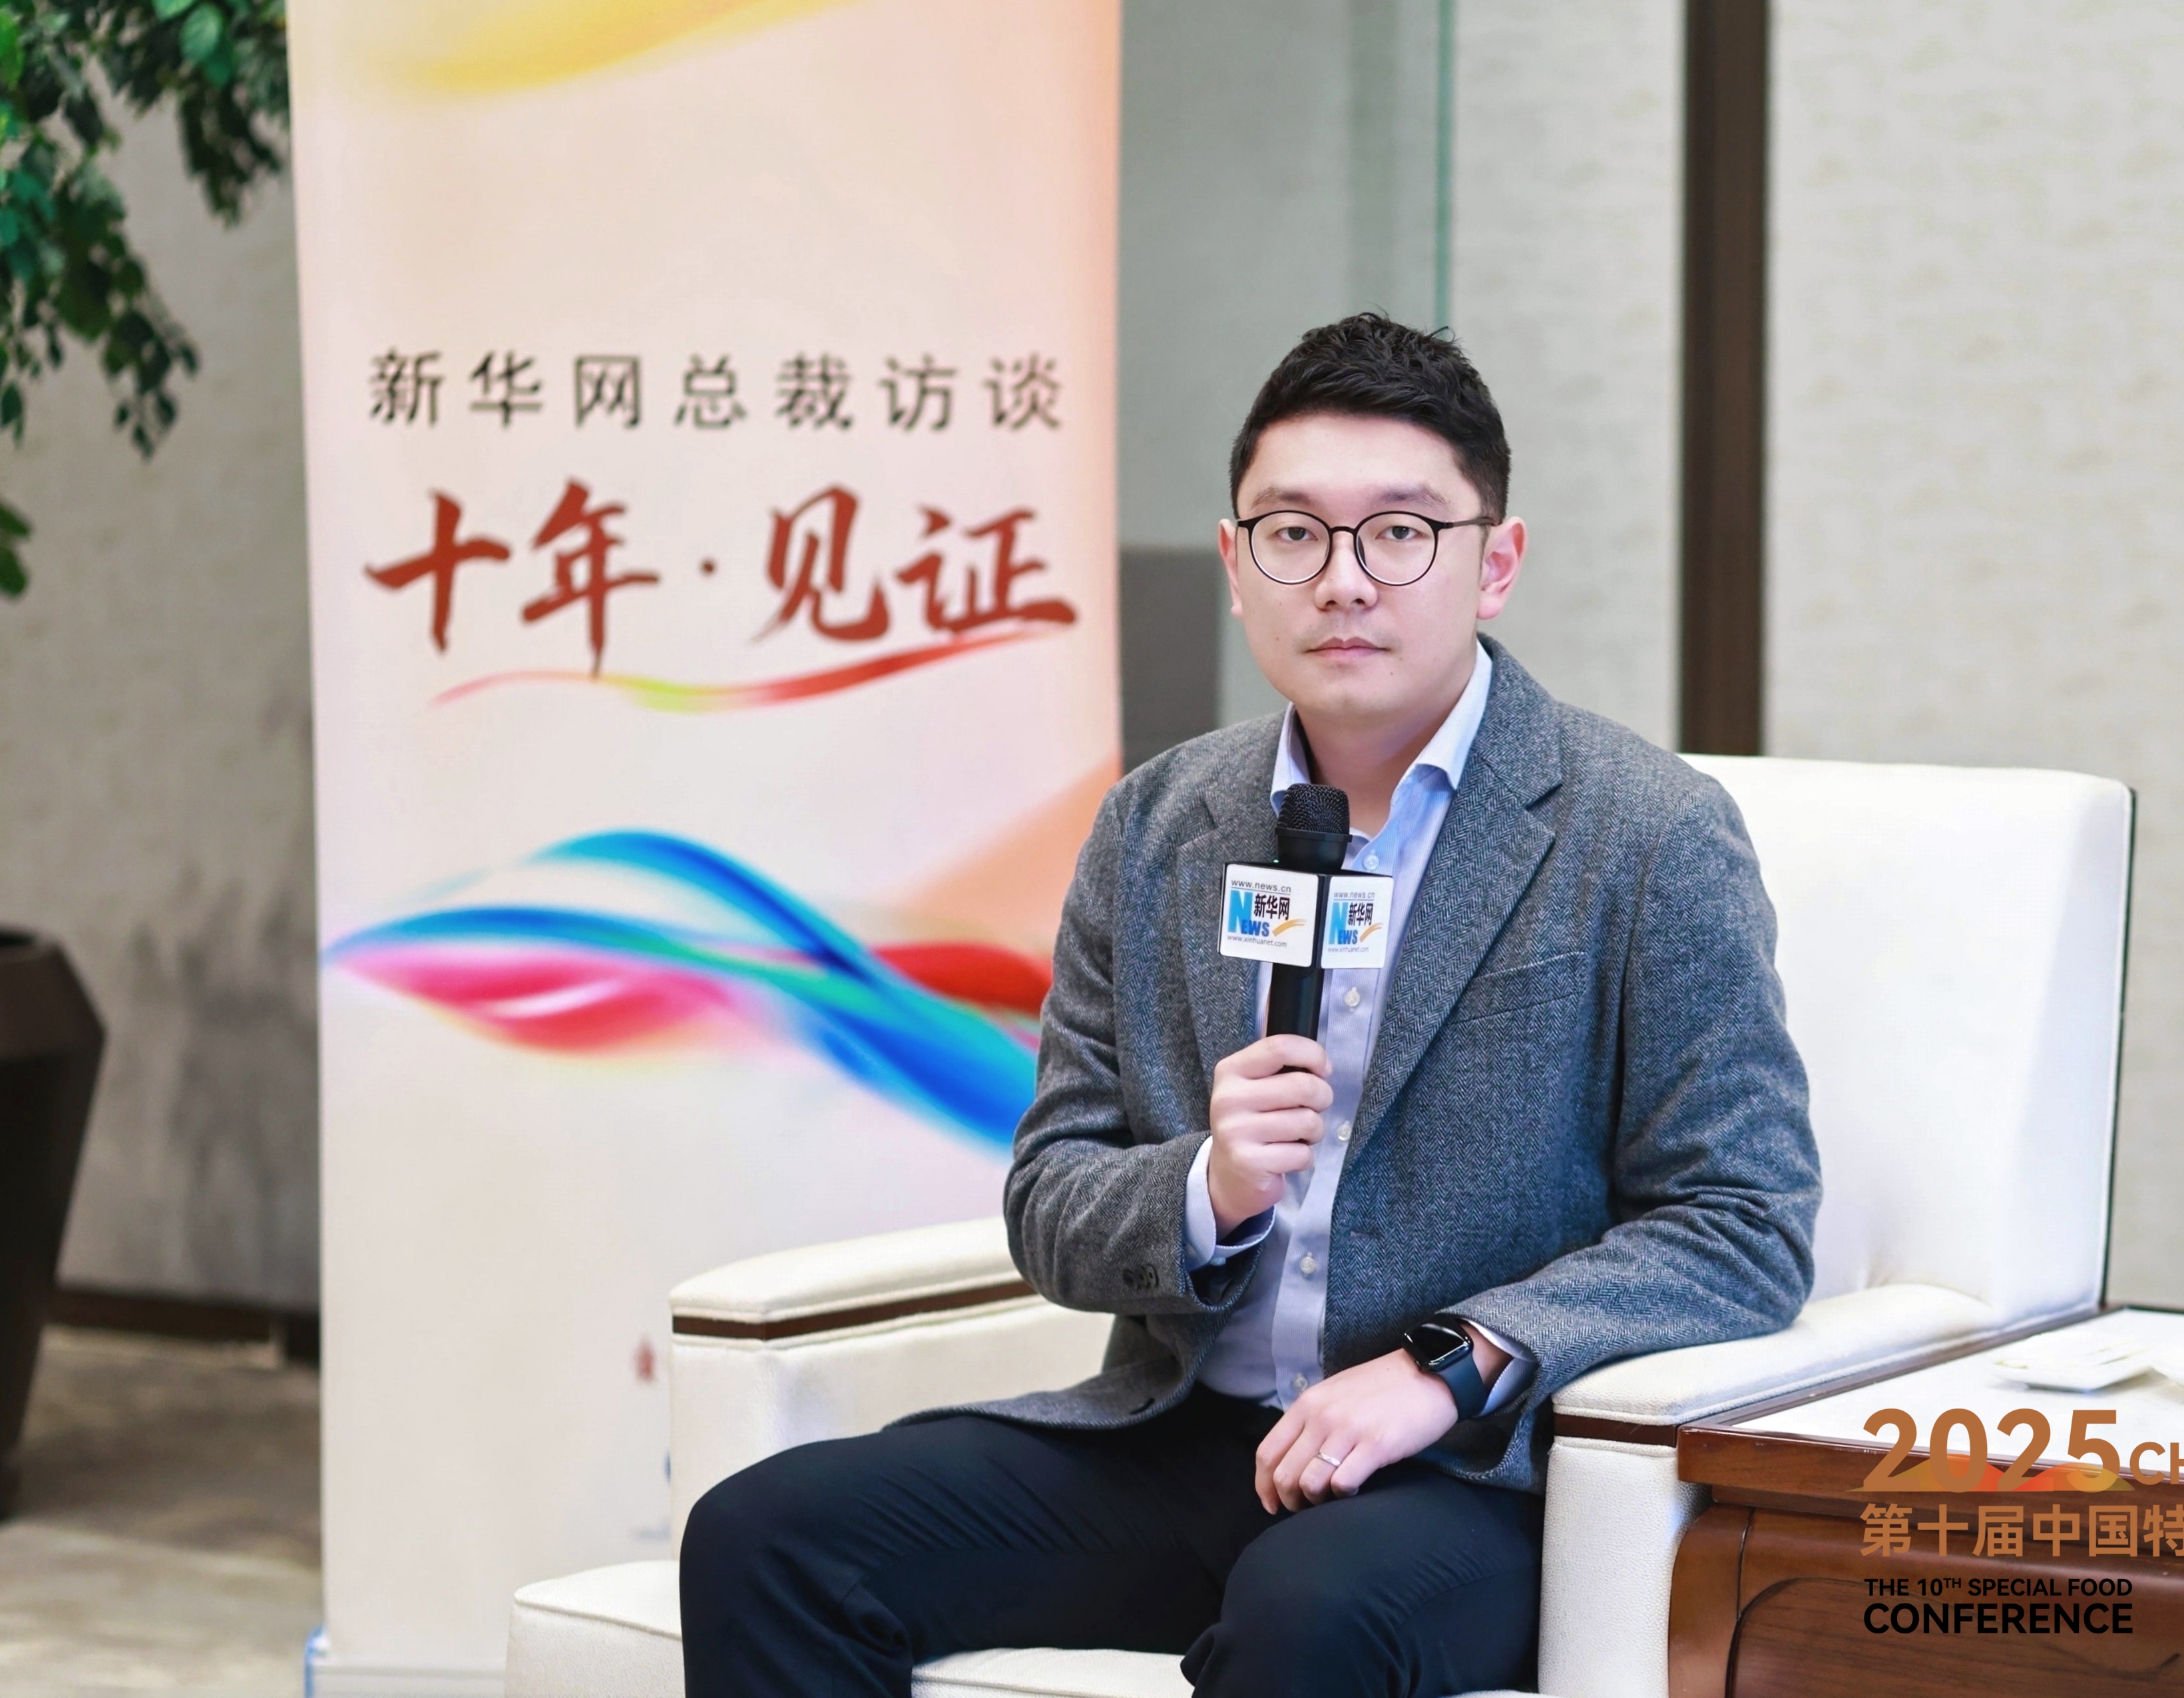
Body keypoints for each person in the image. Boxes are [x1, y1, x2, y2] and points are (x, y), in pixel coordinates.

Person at [680, 313, 1822, 1697]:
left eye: (1399, 533)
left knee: (1309, 1615)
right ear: (1234, 564)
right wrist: (1205, 1188)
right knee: (768, 1536)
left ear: (1494, 562)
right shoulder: (1158, 823)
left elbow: (1741, 1222)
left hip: (1461, 1472)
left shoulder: (1644, 833)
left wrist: (1448, 1366)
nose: (1342, 580)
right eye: (1292, 533)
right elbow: (1051, 1201)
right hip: (1187, 1441)